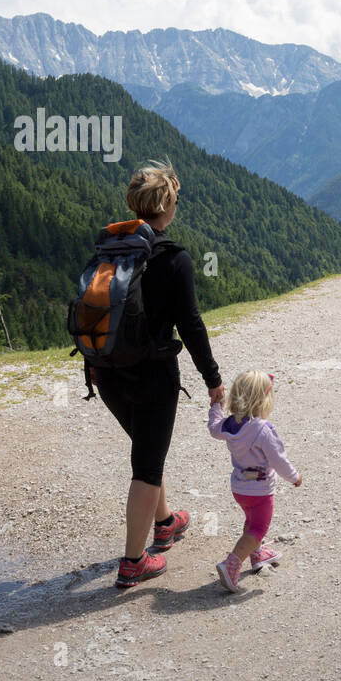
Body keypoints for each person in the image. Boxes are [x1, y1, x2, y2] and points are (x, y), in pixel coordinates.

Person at [89, 160, 226, 588]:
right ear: (166, 205)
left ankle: (165, 522)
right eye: (176, 199)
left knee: (148, 448)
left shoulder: (110, 250)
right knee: (146, 464)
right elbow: (191, 324)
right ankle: (133, 563)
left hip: (108, 370)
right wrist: (213, 378)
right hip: (151, 376)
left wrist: (92, 363)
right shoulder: (174, 259)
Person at [209, 369, 302, 592]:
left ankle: (257, 554)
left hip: (239, 488)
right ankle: (231, 563)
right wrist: (295, 477)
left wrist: (216, 406)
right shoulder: (264, 430)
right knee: (258, 527)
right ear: (264, 400)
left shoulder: (229, 425)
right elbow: (279, 461)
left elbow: (213, 427)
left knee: (251, 521)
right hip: (260, 491)